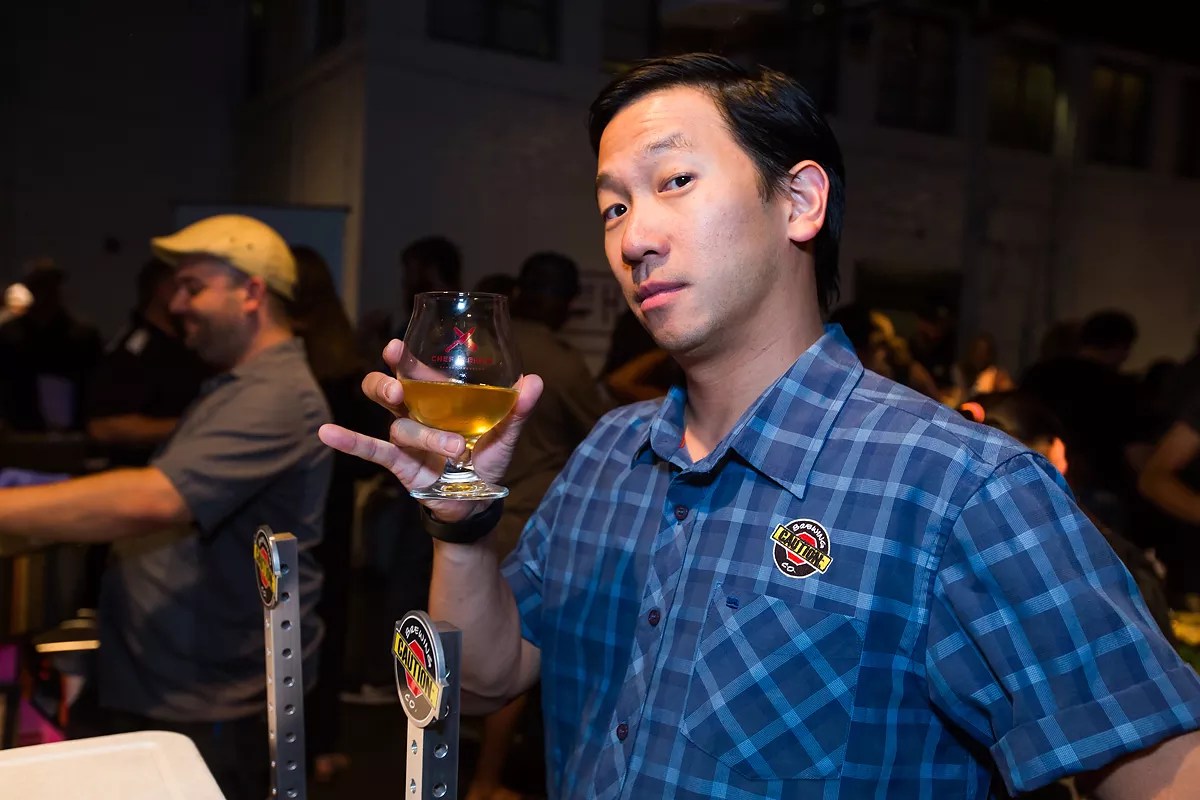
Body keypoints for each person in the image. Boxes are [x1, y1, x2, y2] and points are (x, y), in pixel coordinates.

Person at [320, 54, 1200, 799]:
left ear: (801, 201)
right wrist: (461, 527)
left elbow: (1161, 771)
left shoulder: (957, 487)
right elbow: (483, 683)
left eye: (674, 182)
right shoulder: (609, 454)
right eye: (613, 206)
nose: (633, 238)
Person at [0, 214, 332, 800]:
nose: (176, 304)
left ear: (252, 293)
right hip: (165, 679)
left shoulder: (277, 395)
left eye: (192, 288)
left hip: (207, 698)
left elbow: (154, 498)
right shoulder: (235, 384)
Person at [466, 252, 611, 800]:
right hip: (526, 513)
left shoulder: (480, 343)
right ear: (566, 303)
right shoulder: (560, 361)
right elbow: (602, 433)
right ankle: (486, 780)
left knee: (468, 643)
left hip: (472, 507)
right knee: (519, 649)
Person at [290, 244, 391, 783]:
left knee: (293, 619)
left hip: (294, 505)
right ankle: (320, 740)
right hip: (327, 506)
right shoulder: (338, 354)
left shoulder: (286, 358)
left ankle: (297, 743)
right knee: (326, 617)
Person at [85, 257, 210, 467]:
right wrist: (192, 427)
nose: (188, 298)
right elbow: (103, 427)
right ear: (161, 288)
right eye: (182, 286)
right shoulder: (134, 350)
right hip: (147, 472)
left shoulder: (191, 343)